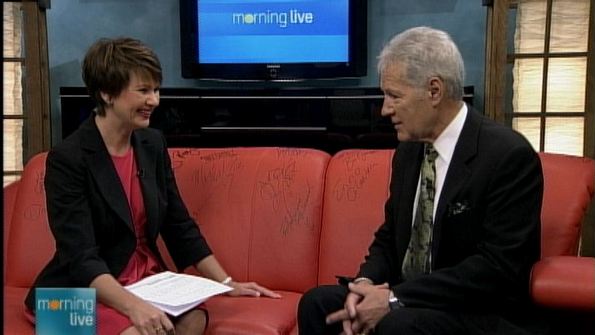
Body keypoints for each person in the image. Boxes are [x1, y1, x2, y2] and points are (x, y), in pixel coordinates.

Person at [298, 26, 546, 335]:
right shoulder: (409, 151)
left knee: (397, 324)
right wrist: (364, 284)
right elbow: (389, 237)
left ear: (434, 91)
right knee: (319, 304)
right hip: (413, 301)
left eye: (394, 96)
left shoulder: (507, 156)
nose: (385, 109)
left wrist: (393, 298)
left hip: (477, 309)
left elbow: (496, 269)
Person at [24, 37, 281, 335]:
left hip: (145, 282)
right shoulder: (68, 158)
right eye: (144, 91)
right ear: (107, 93)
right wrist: (133, 307)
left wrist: (226, 283)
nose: (155, 101)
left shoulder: (151, 144)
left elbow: (178, 224)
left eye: (156, 89)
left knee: (193, 321)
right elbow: (81, 257)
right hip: (74, 293)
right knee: (141, 332)